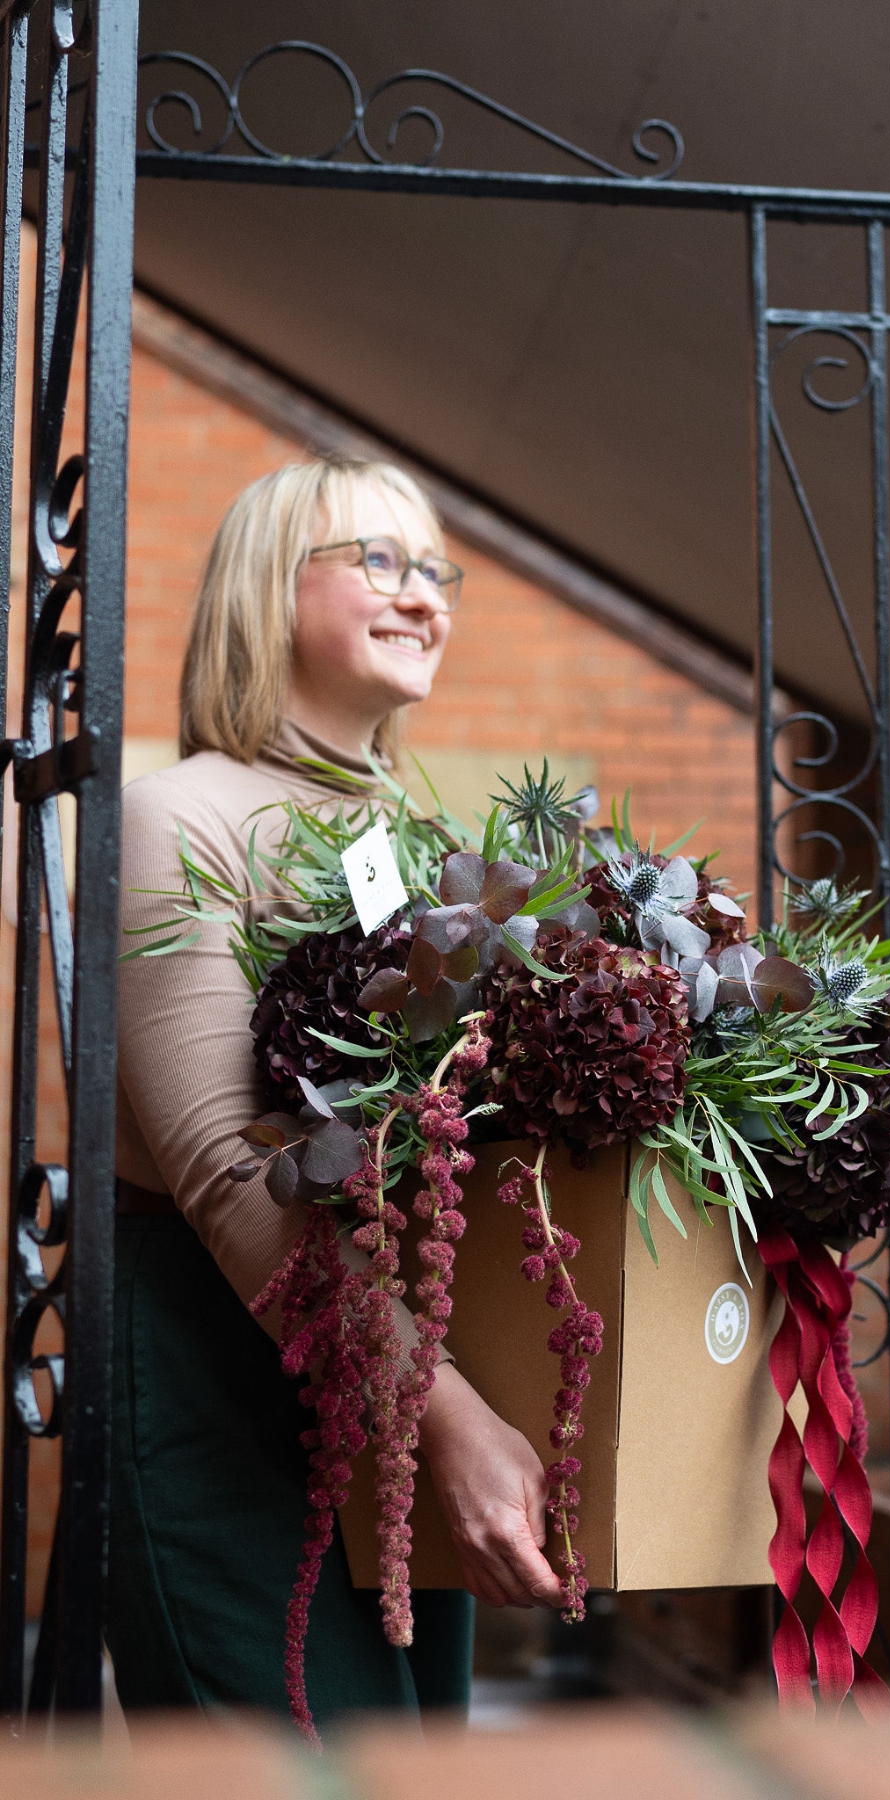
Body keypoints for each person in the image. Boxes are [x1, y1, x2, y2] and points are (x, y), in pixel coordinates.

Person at [109, 458, 564, 1725]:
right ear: (269, 587)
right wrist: (447, 1412)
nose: (424, 599)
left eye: (437, 572)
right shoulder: (177, 816)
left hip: (400, 1381)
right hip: (230, 1383)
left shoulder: (397, 843)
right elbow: (222, 1163)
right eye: (380, 561)